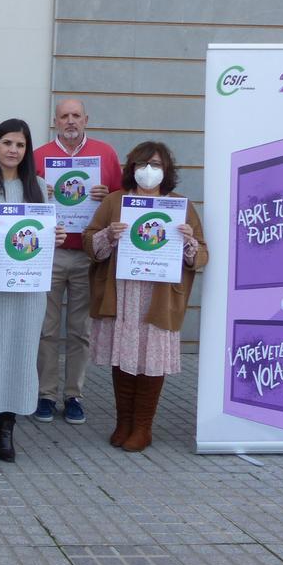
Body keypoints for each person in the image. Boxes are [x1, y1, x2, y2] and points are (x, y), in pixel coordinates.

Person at [84, 142, 207, 452]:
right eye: (142, 164)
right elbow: (90, 244)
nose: (148, 171)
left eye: (155, 165)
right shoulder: (116, 202)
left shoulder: (179, 205)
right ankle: (123, 421)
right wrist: (108, 236)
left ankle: (143, 426)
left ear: (166, 171)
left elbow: (201, 256)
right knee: (123, 356)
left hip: (159, 296)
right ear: (131, 168)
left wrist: (189, 241)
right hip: (122, 293)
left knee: (150, 360)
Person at [0, 119, 65, 463]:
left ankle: (7, 428)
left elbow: (45, 233)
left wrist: (56, 237)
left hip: (27, 290)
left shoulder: (39, 186)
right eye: (6, 143)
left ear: (26, 149)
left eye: (19, 145)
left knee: (19, 356)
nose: (12, 150)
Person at [32, 99, 122, 425]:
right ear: (55, 120)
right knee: (47, 329)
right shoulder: (39, 157)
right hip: (51, 253)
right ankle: (45, 394)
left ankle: (73, 395)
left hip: (87, 255)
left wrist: (106, 195)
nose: (70, 121)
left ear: (86, 119)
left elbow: (122, 200)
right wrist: (44, 193)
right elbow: (27, 203)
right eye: (64, 116)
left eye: (75, 116)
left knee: (80, 330)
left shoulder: (106, 154)